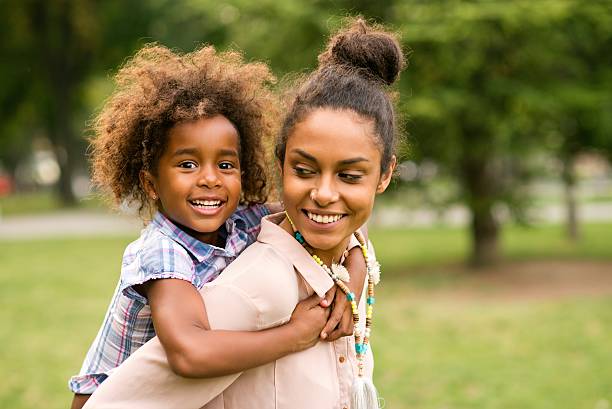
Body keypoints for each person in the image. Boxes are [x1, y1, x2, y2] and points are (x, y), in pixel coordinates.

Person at [83, 18, 404, 409]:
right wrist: (294, 334)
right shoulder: (162, 253)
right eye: (186, 165)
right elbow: (188, 353)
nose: (209, 181)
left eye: (225, 165)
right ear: (151, 184)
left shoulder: (240, 220)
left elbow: (336, 216)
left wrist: (352, 274)